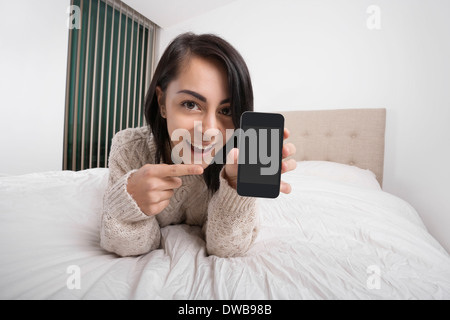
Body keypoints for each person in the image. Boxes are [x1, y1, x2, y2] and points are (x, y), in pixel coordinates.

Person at [100, 32, 297, 258]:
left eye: (226, 111)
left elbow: (225, 248)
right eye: (191, 104)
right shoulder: (128, 147)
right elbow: (130, 246)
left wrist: (235, 189)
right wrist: (130, 204)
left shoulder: (236, 159)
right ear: (162, 102)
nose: (209, 131)